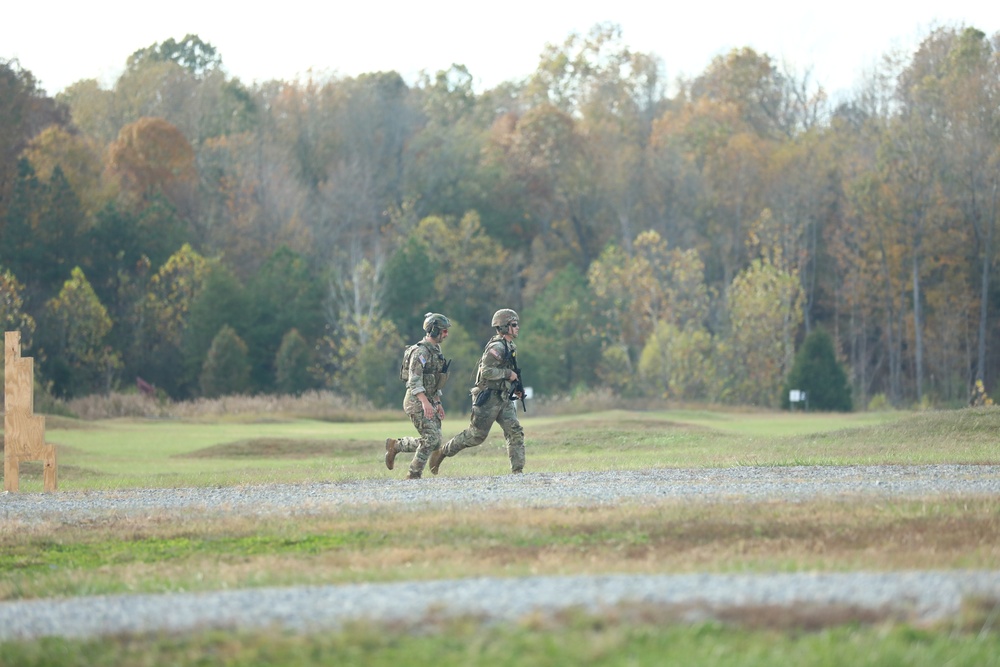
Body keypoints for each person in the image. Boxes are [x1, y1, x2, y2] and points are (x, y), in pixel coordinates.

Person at [429, 308, 525, 475]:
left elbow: (509, 370)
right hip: (488, 398)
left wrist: (516, 387)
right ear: (503, 327)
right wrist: (508, 374)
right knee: (475, 436)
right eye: (514, 325)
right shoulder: (497, 347)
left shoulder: (509, 345)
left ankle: (517, 472)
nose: (517, 328)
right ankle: (442, 452)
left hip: (503, 397)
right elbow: (487, 371)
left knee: (515, 431)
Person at [384, 312, 452, 479]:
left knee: (435, 441)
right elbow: (414, 381)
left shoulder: (436, 351)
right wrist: (424, 402)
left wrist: (437, 402)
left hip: (429, 400)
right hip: (416, 402)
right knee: (430, 438)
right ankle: (413, 474)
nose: (446, 334)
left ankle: (396, 446)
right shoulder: (421, 352)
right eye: (443, 331)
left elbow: (434, 382)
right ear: (434, 330)